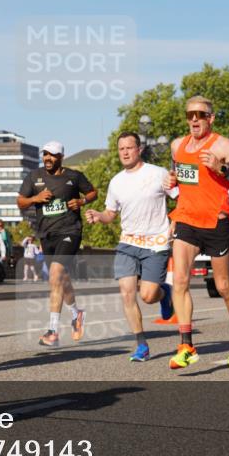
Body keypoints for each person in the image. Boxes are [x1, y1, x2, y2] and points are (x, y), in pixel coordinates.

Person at [163, 96, 229, 369]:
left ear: (210, 119)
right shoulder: (177, 145)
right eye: (190, 114)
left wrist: (220, 167)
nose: (194, 119)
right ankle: (186, 345)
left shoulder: (223, 145)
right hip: (187, 221)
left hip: (216, 223)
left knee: (224, 286)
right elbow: (181, 175)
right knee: (179, 280)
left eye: (200, 115)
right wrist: (172, 179)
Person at [85, 132, 175, 362]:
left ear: (139, 149)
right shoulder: (116, 181)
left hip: (155, 243)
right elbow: (110, 214)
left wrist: (173, 226)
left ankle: (164, 294)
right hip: (128, 243)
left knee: (147, 295)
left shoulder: (157, 173)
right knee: (127, 293)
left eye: (129, 148)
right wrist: (98, 216)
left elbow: (181, 198)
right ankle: (141, 344)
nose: (124, 152)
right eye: (121, 149)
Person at [17, 140, 97, 346]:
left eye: (52, 155)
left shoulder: (73, 176)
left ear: (60, 156)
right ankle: (76, 313)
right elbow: (20, 201)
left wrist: (81, 201)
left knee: (54, 275)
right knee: (61, 278)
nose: (47, 158)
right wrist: (35, 198)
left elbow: (92, 192)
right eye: (45, 154)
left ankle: (53, 330)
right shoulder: (34, 177)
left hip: (70, 231)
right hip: (46, 234)